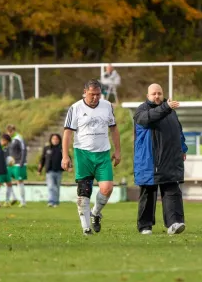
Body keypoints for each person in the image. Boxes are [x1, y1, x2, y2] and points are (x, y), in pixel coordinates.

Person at [62, 79, 121, 235]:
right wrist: (65, 156)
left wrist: (118, 151)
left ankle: (95, 213)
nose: (95, 97)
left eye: (98, 94)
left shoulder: (107, 106)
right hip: (83, 154)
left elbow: (114, 129)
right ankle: (86, 228)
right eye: (92, 94)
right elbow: (67, 132)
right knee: (84, 191)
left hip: (103, 153)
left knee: (107, 188)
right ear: (85, 92)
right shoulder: (75, 108)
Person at [133, 84, 188, 235]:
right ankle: (145, 226)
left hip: (169, 159)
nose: (157, 96)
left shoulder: (170, 112)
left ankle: (174, 224)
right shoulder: (141, 110)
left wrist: (183, 148)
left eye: (159, 93)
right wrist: (166, 107)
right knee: (148, 194)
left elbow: (178, 132)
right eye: (153, 94)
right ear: (148, 95)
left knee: (172, 191)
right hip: (149, 161)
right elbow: (149, 118)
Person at [38, 133, 63, 207]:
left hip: (59, 171)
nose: (55, 140)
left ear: (59, 140)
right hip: (49, 171)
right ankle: (51, 201)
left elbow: (67, 158)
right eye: (53, 139)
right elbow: (42, 159)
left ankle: (56, 202)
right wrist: (39, 170)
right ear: (51, 140)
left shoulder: (62, 148)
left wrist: (69, 167)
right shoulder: (47, 148)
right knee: (51, 186)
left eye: (56, 139)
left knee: (57, 187)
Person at [6, 125, 28, 207]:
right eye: (8, 131)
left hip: (19, 163)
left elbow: (24, 149)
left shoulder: (19, 138)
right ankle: (14, 197)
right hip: (10, 164)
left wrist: (22, 162)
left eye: (11, 131)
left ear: (14, 130)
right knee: (7, 180)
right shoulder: (9, 139)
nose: (9, 133)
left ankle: (23, 201)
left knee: (19, 181)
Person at [0, 134, 18, 206]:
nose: (8, 144)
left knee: (9, 183)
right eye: (7, 142)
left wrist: (10, 162)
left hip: (5, 168)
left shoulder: (6, 148)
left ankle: (7, 201)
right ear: (4, 140)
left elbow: (8, 158)